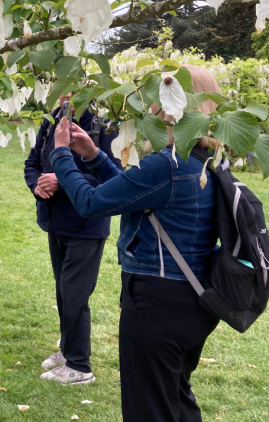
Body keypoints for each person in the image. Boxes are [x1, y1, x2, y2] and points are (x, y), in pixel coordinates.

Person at [49, 65, 221, 422]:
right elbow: (138, 195)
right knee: (174, 399)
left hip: (159, 303)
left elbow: (91, 203)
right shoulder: (205, 161)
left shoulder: (168, 164)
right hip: (193, 299)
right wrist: (94, 156)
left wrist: (62, 153)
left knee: (149, 408)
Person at [24, 93, 121, 385]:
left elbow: (114, 178)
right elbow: (32, 163)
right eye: (61, 90)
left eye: (73, 91)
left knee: (75, 293)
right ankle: (67, 349)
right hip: (56, 221)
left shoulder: (104, 125)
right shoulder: (51, 122)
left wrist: (61, 181)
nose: (65, 97)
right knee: (63, 290)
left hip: (87, 224)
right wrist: (37, 185)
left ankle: (79, 365)